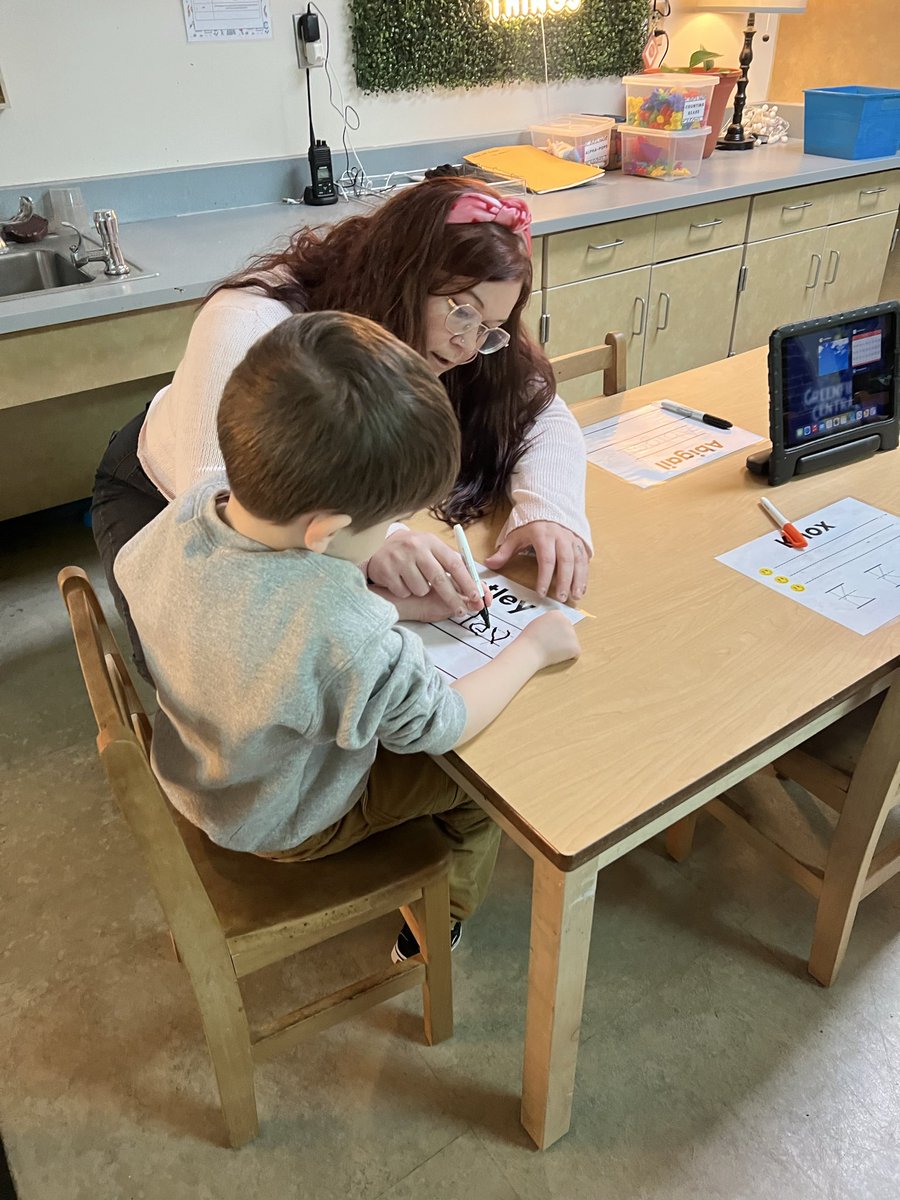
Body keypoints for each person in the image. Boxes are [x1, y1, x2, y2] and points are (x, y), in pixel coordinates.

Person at [114, 312, 580, 960]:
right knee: (481, 783)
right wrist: (534, 647)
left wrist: (380, 606)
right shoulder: (339, 627)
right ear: (324, 529)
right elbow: (439, 724)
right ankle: (434, 927)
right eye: (391, 521)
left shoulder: (197, 502)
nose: (398, 532)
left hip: (202, 764)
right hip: (283, 816)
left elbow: (256, 613)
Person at [92, 175, 591, 681]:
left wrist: (549, 508)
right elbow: (221, 501)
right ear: (403, 274)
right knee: (213, 670)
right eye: (462, 312)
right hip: (163, 490)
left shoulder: (470, 339)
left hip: (324, 511)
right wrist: (375, 543)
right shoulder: (253, 318)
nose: (467, 346)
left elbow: (540, 409)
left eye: (489, 330)